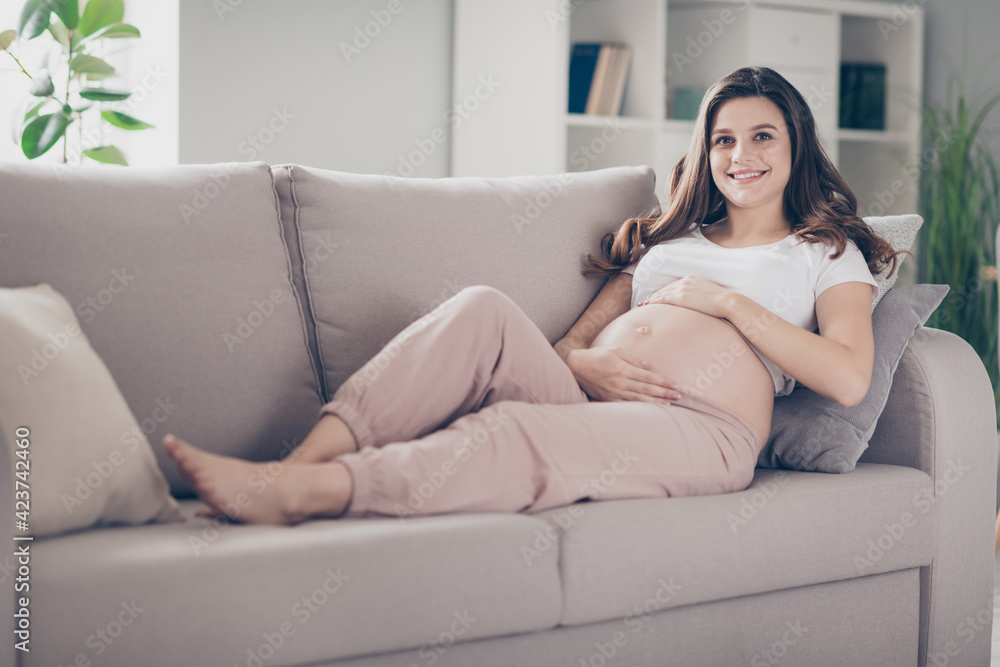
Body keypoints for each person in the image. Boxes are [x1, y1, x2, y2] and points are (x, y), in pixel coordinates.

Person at [163, 66, 903, 525]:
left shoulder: (824, 251)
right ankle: (294, 467)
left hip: (704, 429)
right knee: (482, 308)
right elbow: (571, 347)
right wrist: (584, 367)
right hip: (593, 397)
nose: (741, 156)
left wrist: (728, 305)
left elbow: (846, 376)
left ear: (796, 145)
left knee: (520, 431)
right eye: (723, 140)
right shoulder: (669, 242)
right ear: (704, 153)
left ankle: (314, 494)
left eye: (763, 136)